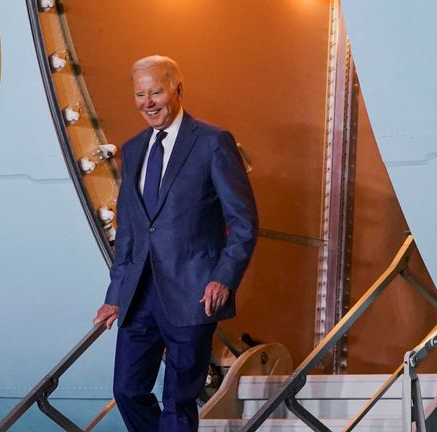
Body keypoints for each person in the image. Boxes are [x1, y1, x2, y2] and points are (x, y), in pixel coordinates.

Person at [93, 55, 258, 432]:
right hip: (139, 297)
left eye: (156, 92)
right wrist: (114, 295)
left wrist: (223, 279)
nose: (147, 102)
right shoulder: (133, 149)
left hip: (194, 293)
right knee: (127, 390)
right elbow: (132, 231)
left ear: (177, 89)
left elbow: (244, 221)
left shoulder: (213, 142)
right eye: (139, 94)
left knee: (178, 402)